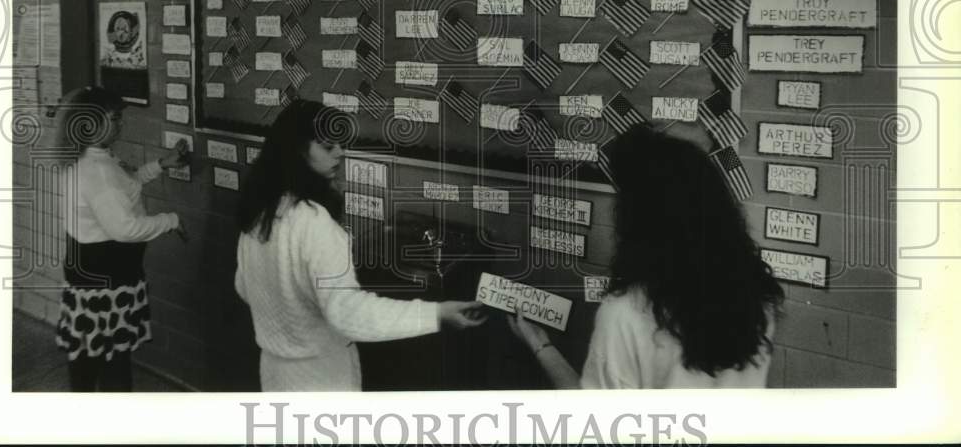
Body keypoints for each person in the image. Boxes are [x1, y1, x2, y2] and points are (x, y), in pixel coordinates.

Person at [234, 99, 486, 391]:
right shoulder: (312, 222)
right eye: (328, 147)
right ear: (296, 153)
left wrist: (292, 313)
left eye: (340, 144)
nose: (340, 153)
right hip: (321, 379)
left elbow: (244, 287)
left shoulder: (260, 212)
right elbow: (348, 315)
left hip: (275, 372)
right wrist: (435, 314)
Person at [508, 124, 784, 389]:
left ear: (638, 223)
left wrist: (539, 344)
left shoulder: (625, 314)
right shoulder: (758, 298)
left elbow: (596, 421)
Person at [54, 86, 189, 391]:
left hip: (87, 276)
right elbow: (125, 229)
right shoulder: (98, 172)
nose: (120, 125)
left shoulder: (87, 157)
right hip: (108, 280)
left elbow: (124, 186)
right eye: (113, 119)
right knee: (114, 361)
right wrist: (170, 221)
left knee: (88, 356)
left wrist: (160, 166)